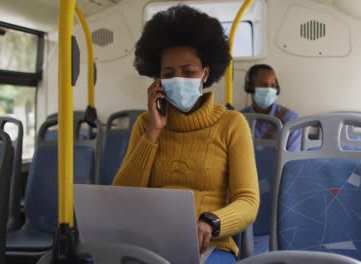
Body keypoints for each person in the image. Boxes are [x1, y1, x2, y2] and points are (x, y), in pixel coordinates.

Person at [112, 5, 259, 264]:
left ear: (205, 73)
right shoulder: (146, 124)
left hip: (211, 243)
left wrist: (212, 222)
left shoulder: (232, 124)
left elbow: (248, 201)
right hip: (151, 241)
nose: (178, 78)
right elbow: (122, 197)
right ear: (158, 79)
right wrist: (153, 132)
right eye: (169, 73)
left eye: (188, 71)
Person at [241, 64, 301, 151]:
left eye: (273, 85)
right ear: (250, 87)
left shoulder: (291, 119)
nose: (269, 89)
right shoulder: (239, 119)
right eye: (264, 85)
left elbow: (292, 161)